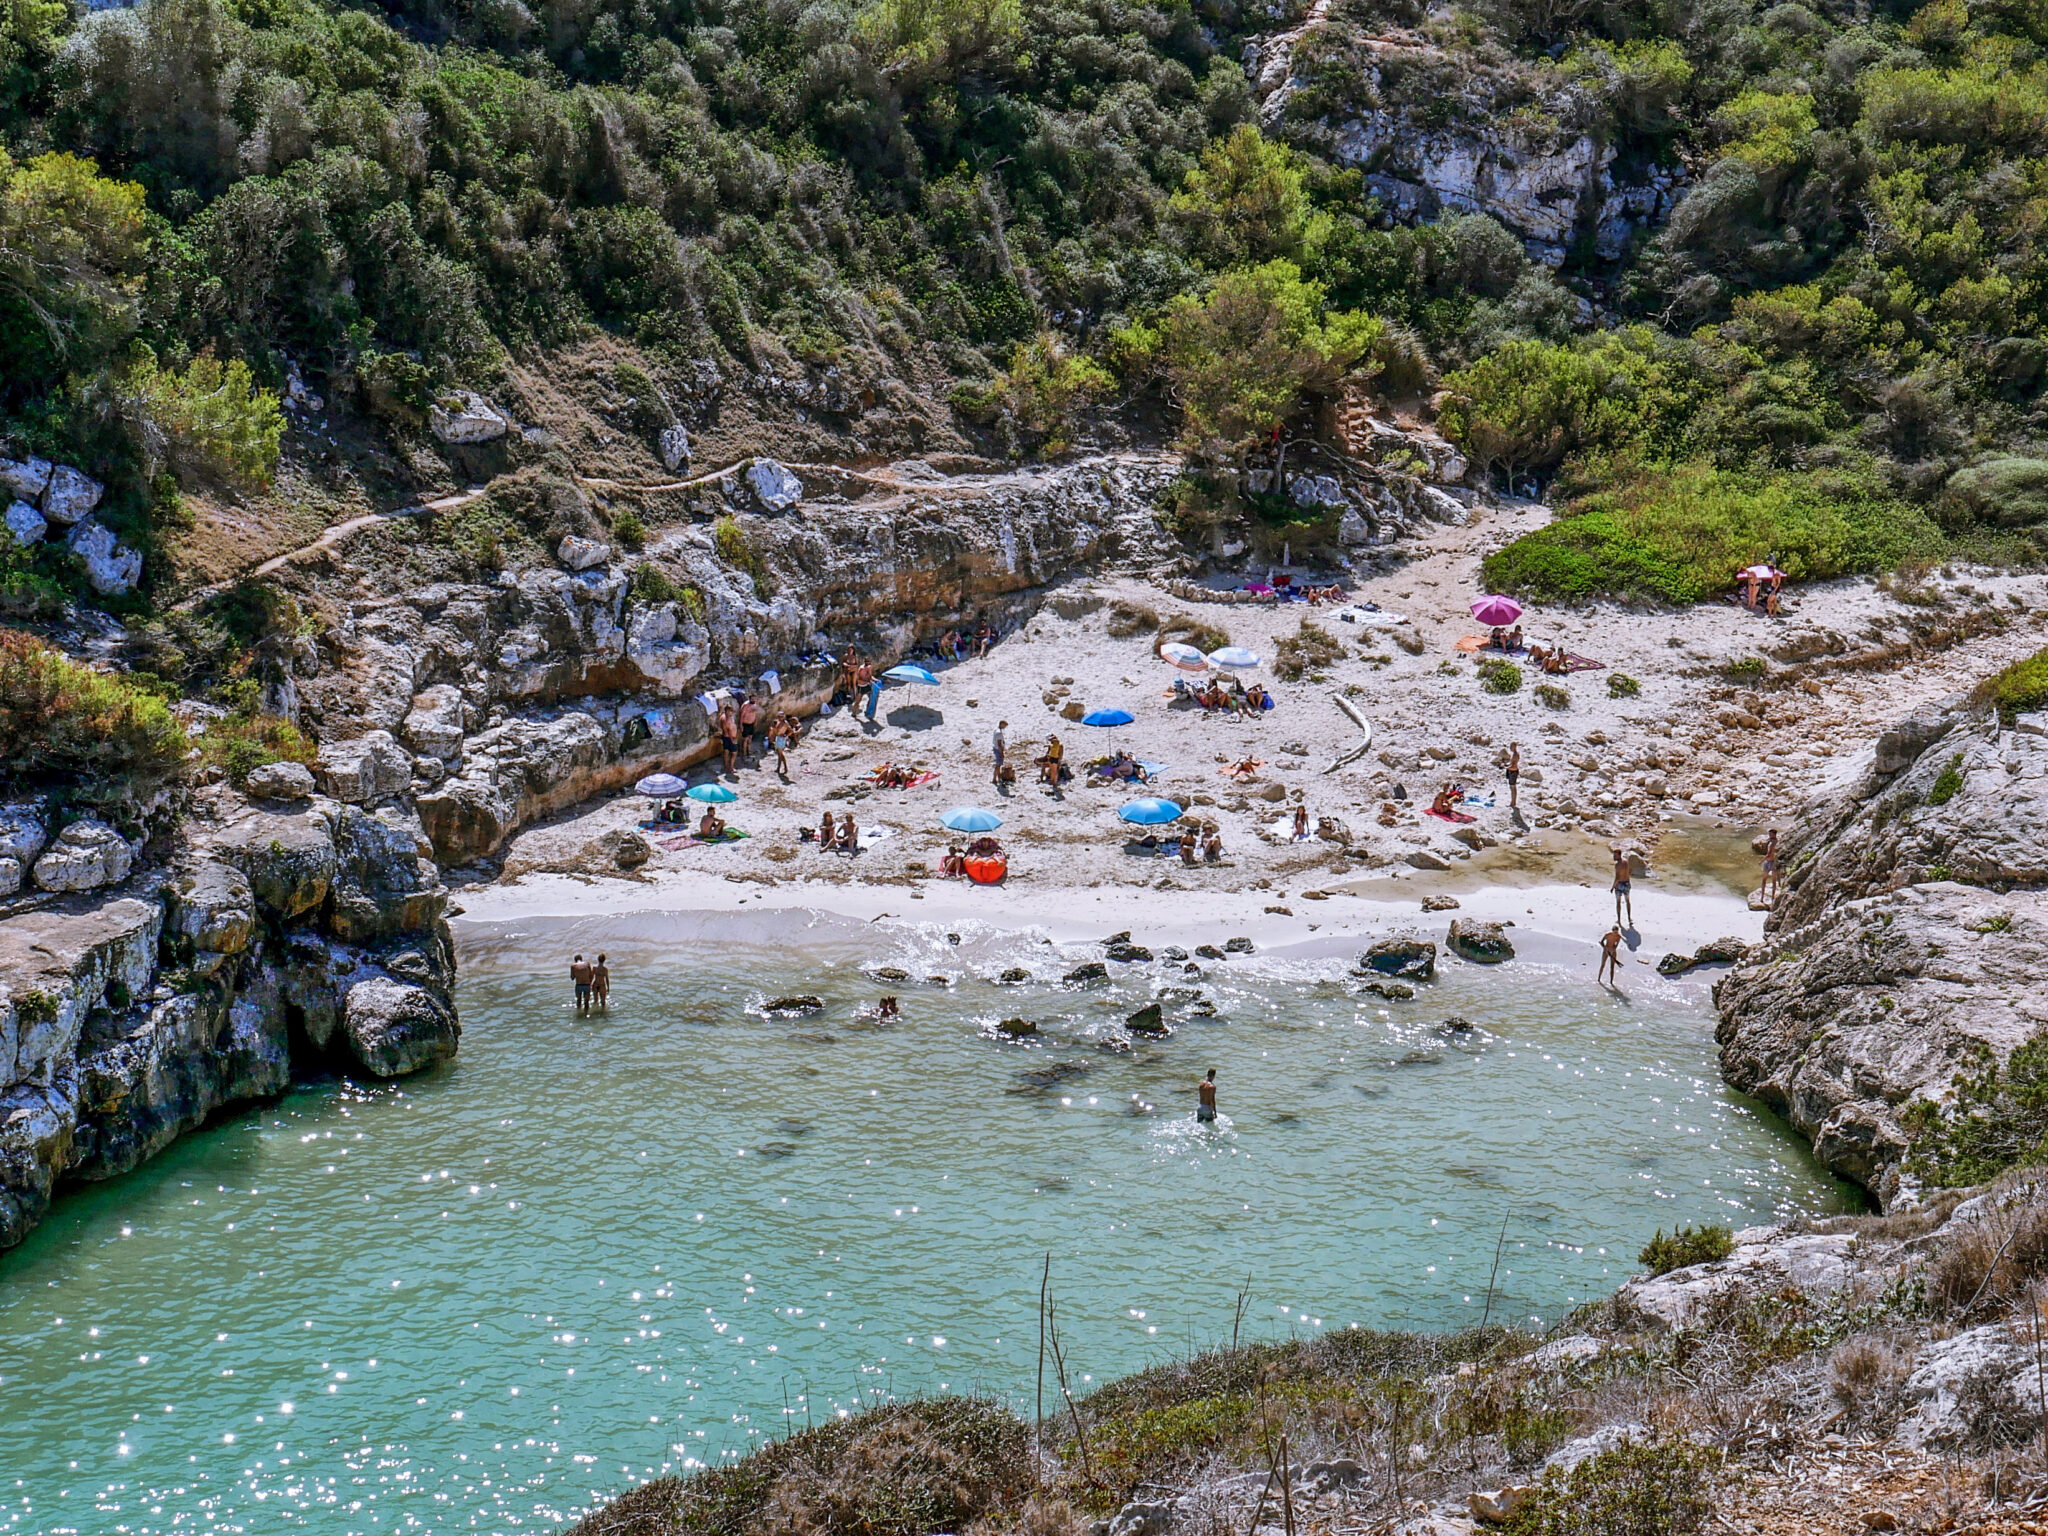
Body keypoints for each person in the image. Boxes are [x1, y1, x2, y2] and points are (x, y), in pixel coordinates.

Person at [1611, 845, 1634, 926]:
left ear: (1618, 855)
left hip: (1620, 884)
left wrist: (1613, 887)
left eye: (1615, 855)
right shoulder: (1626, 862)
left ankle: (1619, 920)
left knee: (1618, 902)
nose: (1613, 857)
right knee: (1628, 901)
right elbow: (1629, 872)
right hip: (1627, 883)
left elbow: (1617, 877)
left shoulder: (1617, 865)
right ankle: (1629, 918)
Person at [738, 693, 761, 767]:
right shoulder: (745, 705)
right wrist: (741, 725)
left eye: (755, 698)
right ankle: (744, 754)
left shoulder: (755, 704)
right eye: (752, 699)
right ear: (749, 698)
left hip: (751, 724)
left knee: (750, 738)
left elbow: (755, 714)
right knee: (745, 739)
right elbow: (741, 715)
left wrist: (756, 721)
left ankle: (749, 752)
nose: (753, 700)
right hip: (746, 724)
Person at [717, 702, 739, 775]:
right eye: (730, 711)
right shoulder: (727, 719)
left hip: (726, 737)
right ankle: (731, 767)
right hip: (730, 737)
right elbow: (728, 730)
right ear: (726, 711)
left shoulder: (723, 717)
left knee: (726, 751)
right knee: (734, 753)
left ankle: (726, 766)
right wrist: (732, 739)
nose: (731, 712)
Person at [1760, 828, 1781, 904]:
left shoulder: (1772, 843)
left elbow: (1768, 854)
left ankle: (1762, 897)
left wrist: (1761, 861)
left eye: (1770, 834)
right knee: (1774, 881)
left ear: (1773, 834)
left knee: (1764, 880)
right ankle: (1772, 898)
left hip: (1769, 862)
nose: (1769, 835)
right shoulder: (1777, 842)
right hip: (1774, 862)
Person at [992, 720, 1008, 785]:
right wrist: (1001, 753)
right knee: (998, 765)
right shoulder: (999, 733)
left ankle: (996, 778)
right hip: (998, 750)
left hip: (996, 749)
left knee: (998, 765)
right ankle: (997, 778)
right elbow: (999, 744)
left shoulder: (997, 730)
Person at [1506, 742, 1521, 810]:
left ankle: (1513, 802)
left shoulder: (1515, 755)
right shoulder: (1514, 754)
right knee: (1512, 787)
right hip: (1512, 771)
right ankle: (1513, 802)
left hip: (1513, 772)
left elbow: (1513, 766)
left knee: (1513, 787)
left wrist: (1506, 767)